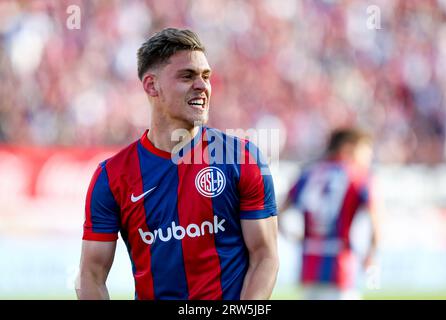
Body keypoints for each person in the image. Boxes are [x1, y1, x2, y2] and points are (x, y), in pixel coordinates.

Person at [75, 28, 279, 300]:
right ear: (151, 85)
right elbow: (90, 274)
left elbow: (265, 256)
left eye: (206, 76)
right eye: (187, 76)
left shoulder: (240, 158)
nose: (202, 86)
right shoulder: (112, 176)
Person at [279, 128, 380, 300]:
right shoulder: (358, 176)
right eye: (365, 151)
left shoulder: (307, 174)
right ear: (349, 148)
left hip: (310, 264)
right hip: (340, 266)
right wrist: (370, 256)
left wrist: (296, 239)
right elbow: (376, 221)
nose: (368, 157)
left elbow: (279, 214)